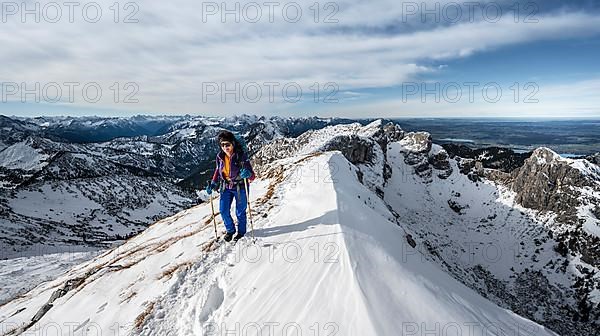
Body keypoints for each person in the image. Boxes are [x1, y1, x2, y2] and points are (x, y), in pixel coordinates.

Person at [206, 130, 255, 242]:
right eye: (222, 145)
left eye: (227, 144)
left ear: (233, 143)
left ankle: (241, 232)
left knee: (240, 211)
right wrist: (213, 183)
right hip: (226, 187)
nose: (225, 147)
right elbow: (218, 171)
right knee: (223, 210)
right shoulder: (220, 157)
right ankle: (230, 230)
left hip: (240, 187)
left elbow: (252, 176)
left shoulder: (241, 156)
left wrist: (248, 174)